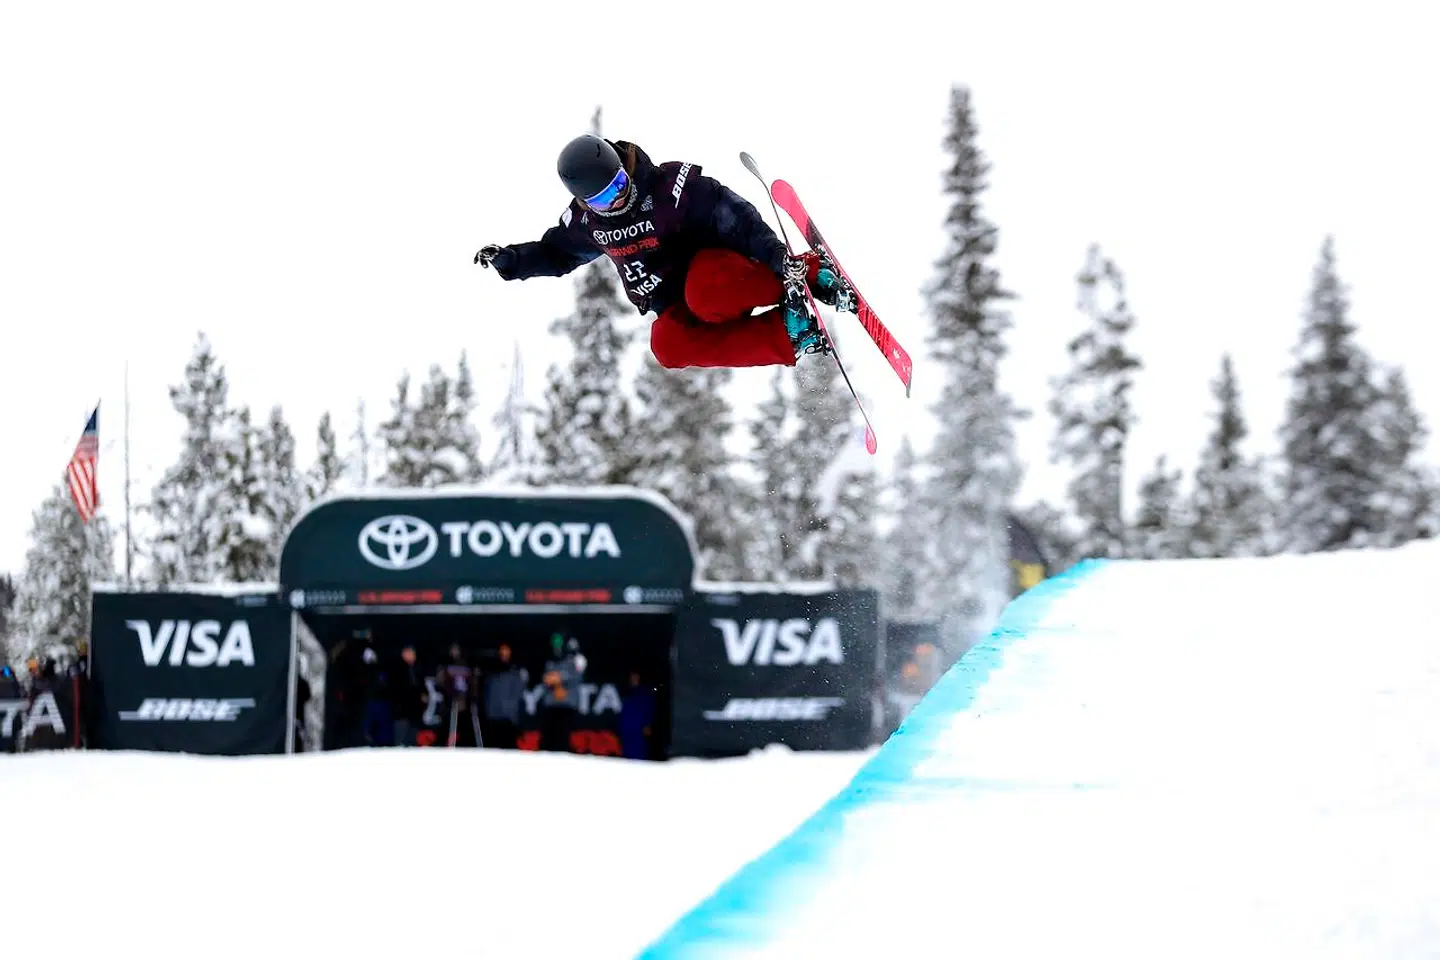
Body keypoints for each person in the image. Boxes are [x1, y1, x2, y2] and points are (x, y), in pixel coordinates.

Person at [473, 134, 855, 370]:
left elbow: (736, 217)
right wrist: (512, 261)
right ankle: (791, 331)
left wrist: (777, 257)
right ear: (585, 202)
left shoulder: (670, 190)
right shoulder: (587, 224)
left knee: (705, 292)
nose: (618, 196)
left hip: (725, 274)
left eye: (619, 182)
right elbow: (556, 254)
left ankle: (809, 277)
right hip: (674, 299)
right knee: (667, 345)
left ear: (624, 168)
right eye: (604, 197)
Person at [539, 634, 586, 752]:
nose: (557, 646)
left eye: (559, 642)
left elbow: (577, 676)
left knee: (563, 742)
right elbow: (547, 679)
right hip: (552, 706)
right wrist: (557, 683)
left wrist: (559, 678)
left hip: (567, 707)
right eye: (555, 642)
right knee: (547, 742)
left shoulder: (576, 659)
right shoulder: (550, 660)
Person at [481, 642, 527, 749]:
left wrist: (516, 718)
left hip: (509, 720)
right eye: (502, 650)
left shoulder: (516, 673)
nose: (504, 653)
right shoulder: (491, 673)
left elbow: (519, 695)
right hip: (493, 719)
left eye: (506, 650)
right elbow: (487, 695)